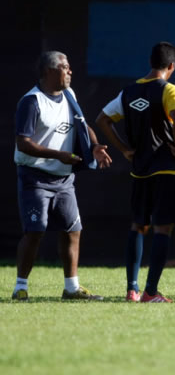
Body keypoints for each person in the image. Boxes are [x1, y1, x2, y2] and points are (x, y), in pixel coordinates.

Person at [12, 51, 111, 301]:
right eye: (64, 67)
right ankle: (20, 287)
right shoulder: (32, 101)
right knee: (35, 231)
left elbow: (82, 124)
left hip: (64, 180)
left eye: (69, 67)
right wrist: (58, 155)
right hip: (35, 177)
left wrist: (95, 146)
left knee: (72, 229)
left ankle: (71, 288)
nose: (70, 71)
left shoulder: (69, 95)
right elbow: (23, 143)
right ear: (49, 71)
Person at [96, 42, 175, 303]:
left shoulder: (129, 92)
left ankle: (132, 289)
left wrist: (124, 149)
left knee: (138, 226)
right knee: (162, 229)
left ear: (150, 62)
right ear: (171, 67)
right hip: (166, 169)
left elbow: (102, 119)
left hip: (140, 170)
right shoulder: (169, 89)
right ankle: (151, 292)